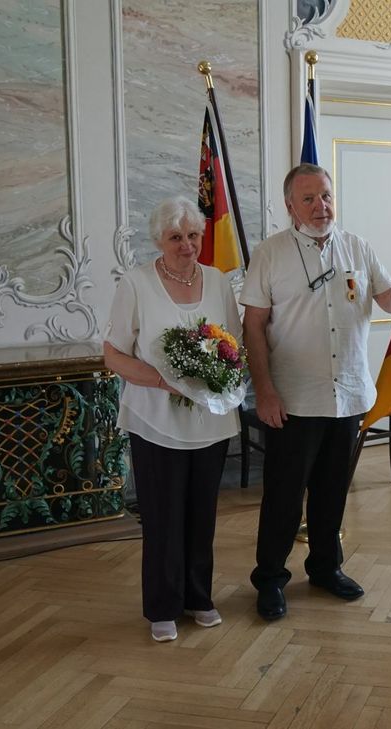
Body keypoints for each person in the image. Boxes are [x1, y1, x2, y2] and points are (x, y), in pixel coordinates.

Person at [240, 163, 391, 621]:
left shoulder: (358, 247)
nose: (320, 206)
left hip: (347, 394)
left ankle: (326, 568)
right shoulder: (270, 254)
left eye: (326, 195)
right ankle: (270, 579)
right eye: (308, 199)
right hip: (292, 400)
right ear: (290, 206)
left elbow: (389, 299)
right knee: (284, 498)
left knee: (332, 493)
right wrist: (264, 391)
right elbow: (253, 326)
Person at [103, 196, 243, 642]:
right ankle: (162, 606)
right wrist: (164, 383)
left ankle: (199, 597)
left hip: (211, 422)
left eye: (194, 236)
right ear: (159, 240)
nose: (187, 245)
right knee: (163, 517)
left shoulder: (220, 281)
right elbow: (112, 355)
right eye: (176, 237)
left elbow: (234, 347)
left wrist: (219, 377)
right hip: (155, 421)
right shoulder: (137, 283)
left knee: (202, 515)